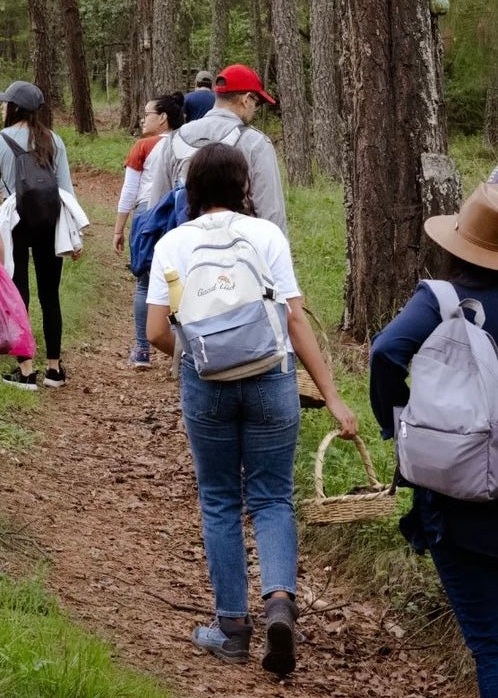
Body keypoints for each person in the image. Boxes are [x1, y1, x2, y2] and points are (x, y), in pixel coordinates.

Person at [146, 143, 356, 677]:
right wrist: (331, 396)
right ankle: (280, 603)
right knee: (272, 498)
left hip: (207, 382)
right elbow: (295, 320)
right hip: (271, 377)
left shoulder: (172, 243)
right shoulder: (266, 236)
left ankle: (233, 629)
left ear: (191, 190)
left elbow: (154, 333)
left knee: (219, 500)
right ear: (243, 187)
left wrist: (198, 361)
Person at [370, 183, 498, 697]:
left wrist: (396, 422)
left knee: (491, 643)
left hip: (459, 498)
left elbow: (385, 353)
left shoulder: (445, 301)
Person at [0, 81, 77, 390]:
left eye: (4, 102)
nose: (1, 106)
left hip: (16, 223)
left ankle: (25, 371)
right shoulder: (54, 140)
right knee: (51, 295)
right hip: (50, 219)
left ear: (15, 107)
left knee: (18, 293)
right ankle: (54, 369)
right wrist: (74, 237)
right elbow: (66, 191)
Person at [147, 63, 287, 234]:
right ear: (246, 99)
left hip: (184, 250)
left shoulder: (175, 138)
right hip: (239, 253)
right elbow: (271, 214)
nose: (255, 110)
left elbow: (156, 207)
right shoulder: (256, 144)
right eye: (256, 103)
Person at [112, 92, 185, 368]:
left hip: (148, 216)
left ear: (163, 118)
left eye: (147, 114)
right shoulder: (188, 143)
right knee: (179, 282)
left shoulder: (143, 147)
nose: (143, 119)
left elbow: (130, 191)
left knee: (144, 282)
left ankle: (142, 349)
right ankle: (180, 347)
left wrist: (119, 228)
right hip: (179, 215)